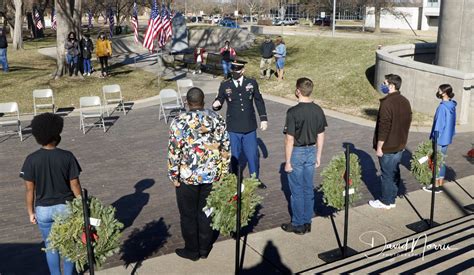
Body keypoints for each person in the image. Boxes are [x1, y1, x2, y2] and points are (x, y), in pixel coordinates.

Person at [168, 87, 230, 261]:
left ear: (187, 103)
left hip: (187, 177)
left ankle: (192, 250)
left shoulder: (180, 121)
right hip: (212, 176)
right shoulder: (217, 118)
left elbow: (174, 151)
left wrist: (174, 176)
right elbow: (225, 148)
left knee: (188, 215)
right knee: (207, 211)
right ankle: (204, 247)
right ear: (203, 101)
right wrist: (223, 172)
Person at [20, 113, 82, 275]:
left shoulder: (31, 160)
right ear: (56, 134)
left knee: (50, 246)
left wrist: (30, 212)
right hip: (65, 208)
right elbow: (74, 185)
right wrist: (82, 204)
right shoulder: (67, 156)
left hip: (43, 210)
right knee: (69, 245)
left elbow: (29, 190)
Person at [212, 61, 268, 189]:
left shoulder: (251, 83)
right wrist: (217, 104)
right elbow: (220, 98)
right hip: (234, 125)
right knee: (235, 155)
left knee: (252, 155)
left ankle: (255, 179)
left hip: (249, 125)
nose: (235, 73)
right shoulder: (225, 84)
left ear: (243, 70)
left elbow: (258, 101)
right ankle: (235, 179)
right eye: (233, 71)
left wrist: (263, 118)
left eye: (237, 71)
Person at [281, 78, 327, 235]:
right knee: (308, 188)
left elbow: (289, 139)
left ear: (298, 91)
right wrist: (318, 155)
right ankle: (307, 221)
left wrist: (288, 162)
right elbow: (321, 135)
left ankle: (298, 223)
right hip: (311, 151)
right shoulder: (318, 110)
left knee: (297, 190)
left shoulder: (293, 112)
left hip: (297, 152)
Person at [369, 74, 412, 209]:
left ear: (392, 86)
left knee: (387, 174)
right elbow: (407, 122)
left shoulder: (387, 103)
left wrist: (380, 147)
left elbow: (384, 126)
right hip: (399, 144)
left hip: (388, 146)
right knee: (394, 171)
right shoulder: (405, 101)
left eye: (385, 83)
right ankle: (392, 198)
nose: (383, 85)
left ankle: (386, 201)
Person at [423, 84, 457, 193]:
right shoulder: (452, 105)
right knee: (441, 161)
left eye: (439, 90)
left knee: (435, 161)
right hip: (447, 138)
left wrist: (434, 137)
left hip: (439, 138)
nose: (437, 92)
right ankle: (440, 184)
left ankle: (435, 186)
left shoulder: (442, 107)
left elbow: (438, 125)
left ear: (444, 93)